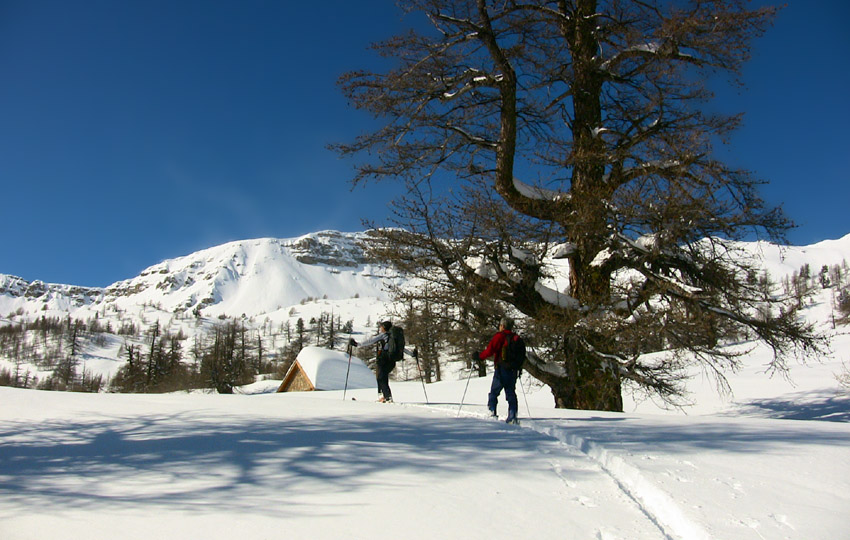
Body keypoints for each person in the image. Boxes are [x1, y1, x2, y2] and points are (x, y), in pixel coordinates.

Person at [474, 317, 519, 424]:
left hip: (501, 369)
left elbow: (490, 350)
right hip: (513, 369)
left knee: (494, 392)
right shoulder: (516, 338)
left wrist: (479, 357)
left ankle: (492, 412)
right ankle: (512, 415)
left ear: (503, 326)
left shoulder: (499, 337)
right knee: (511, 392)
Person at [350, 321, 397, 403]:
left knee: (381, 377)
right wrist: (412, 354)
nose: (380, 328)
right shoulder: (394, 337)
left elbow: (371, 341)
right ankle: (384, 396)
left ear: (384, 328)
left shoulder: (384, 335)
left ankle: (387, 397)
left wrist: (357, 344)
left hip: (383, 359)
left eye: (381, 327)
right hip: (392, 360)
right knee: (382, 377)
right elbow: (401, 348)